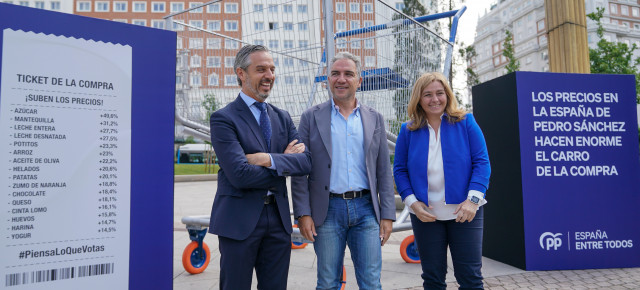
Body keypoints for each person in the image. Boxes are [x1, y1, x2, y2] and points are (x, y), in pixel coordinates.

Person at [208, 44, 312, 290]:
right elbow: (240, 175)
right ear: (241, 73)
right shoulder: (224, 118)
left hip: (277, 220)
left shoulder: (282, 117)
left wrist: (268, 159)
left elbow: (306, 162)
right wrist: (284, 163)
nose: (269, 76)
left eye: (272, 70)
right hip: (238, 221)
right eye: (261, 69)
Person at [291, 51, 396, 290]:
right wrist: (303, 213)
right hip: (326, 212)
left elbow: (382, 170)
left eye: (348, 74)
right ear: (328, 79)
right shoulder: (310, 117)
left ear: (359, 81)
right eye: (335, 74)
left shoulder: (374, 118)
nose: (341, 79)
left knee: (371, 282)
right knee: (328, 282)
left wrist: (387, 214)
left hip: (366, 210)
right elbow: (300, 170)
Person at [393, 72, 491, 289]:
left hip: (465, 213)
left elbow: (482, 163)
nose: (434, 99)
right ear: (418, 99)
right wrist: (412, 203)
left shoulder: (466, 122)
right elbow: (399, 170)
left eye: (440, 93)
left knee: (470, 278)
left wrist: (472, 201)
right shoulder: (408, 130)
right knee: (433, 278)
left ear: (447, 95)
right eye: (427, 94)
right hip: (425, 214)